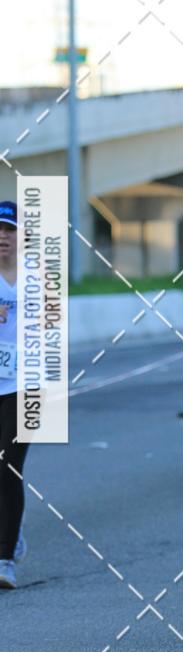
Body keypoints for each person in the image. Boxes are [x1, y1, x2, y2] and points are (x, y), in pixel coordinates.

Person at [0, 202, 29, 590]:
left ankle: (4, 557)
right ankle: (13, 530)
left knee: (8, 467)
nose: (2, 238)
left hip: (25, 386)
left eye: (9, 230)